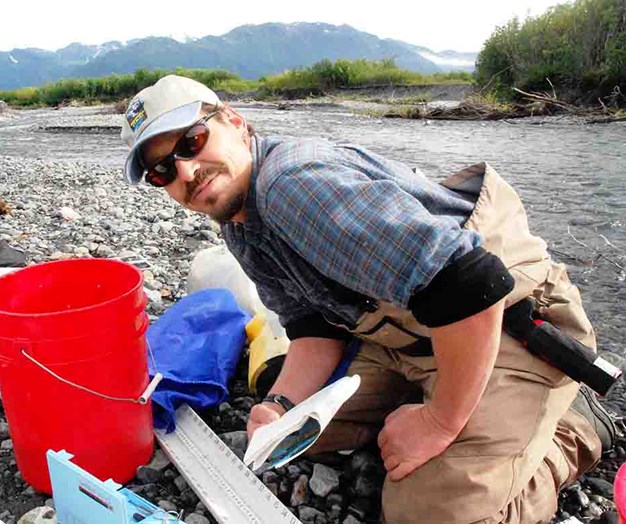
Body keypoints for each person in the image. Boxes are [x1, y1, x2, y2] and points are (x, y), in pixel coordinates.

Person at [120, 75, 617, 523]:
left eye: (191, 142)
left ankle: (575, 431)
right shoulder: (239, 223)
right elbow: (314, 325)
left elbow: (473, 286)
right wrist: (277, 405)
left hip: (506, 325)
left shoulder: (294, 186)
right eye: (163, 170)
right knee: (307, 438)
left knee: (427, 514)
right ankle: (458, 413)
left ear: (232, 120)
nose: (186, 172)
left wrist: (439, 422)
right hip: (409, 337)